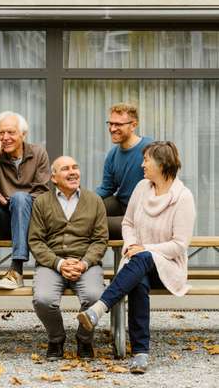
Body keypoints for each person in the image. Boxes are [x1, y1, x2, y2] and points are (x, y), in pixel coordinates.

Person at [78, 141, 196, 373]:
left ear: (162, 164)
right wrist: (132, 244)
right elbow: (128, 223)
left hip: (168, 269)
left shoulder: (182, 197)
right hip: (138, 265)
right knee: (138, 282)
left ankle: (99, 308)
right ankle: (140, 354)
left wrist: (144, 248)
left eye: (146, 160)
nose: (142, 165)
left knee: (143, 258)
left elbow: (179, 245)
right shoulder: (142, 188)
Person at [28, 156, 108, 360]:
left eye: (75, 167)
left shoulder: (94, 201)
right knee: (43, 300)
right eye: (65, 169)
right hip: (52, 263)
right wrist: (59, 263)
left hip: (86, 264)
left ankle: (84, 339)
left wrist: (84, 263)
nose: (73, 172)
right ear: (53, 178)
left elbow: (100, 240)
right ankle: (56, 339)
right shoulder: (42, 201)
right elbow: (36, 241)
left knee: (95, 297)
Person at [0, 111, 50, 290]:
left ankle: (16, 270)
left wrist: (8, 197)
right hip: (1, 221)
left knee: (21, 198)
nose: (5, 137)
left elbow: (42, 193)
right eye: (1, 133)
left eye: (11, 132)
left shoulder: (38, 154)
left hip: (29, 221)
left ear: (23, 134)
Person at [96, 102, 152, 239]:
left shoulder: (151, 149)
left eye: (118, 124)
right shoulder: (112, 154)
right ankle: (68, 260)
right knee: (84, 213)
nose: (112, 128)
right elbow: (106, 188)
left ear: (133, 125)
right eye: (110, 123)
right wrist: (80, 201)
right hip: (121, 205)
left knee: (91, 224)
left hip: (143, 215)